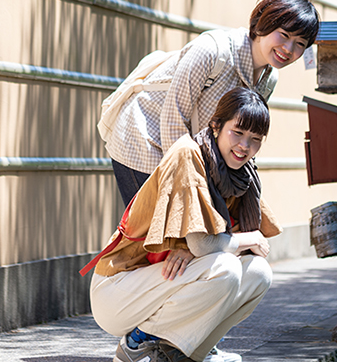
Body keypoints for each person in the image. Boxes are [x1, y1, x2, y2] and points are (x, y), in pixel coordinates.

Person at [87, 88, 281, 362]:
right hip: (118, 288)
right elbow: (206, 244)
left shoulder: (241, 176)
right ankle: (138, 342)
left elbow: (208, 247)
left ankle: (188, 353)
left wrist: (198, 249)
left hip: (163, 280)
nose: (244, 146)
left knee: (259, 273)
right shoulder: (188, 155)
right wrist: (234, 242)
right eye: (237, 133)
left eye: (255, 139)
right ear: (216, 126)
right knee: (224, 268)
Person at [105, 0, 319, 206]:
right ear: (264, 23)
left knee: (185, 234)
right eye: (284, 35)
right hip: (143, 138)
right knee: (154, 234)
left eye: (300, 43)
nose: (289, 49)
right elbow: (173, 120)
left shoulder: (268, 79)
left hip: (186, 152)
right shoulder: (212, 51)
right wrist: (191, 186)